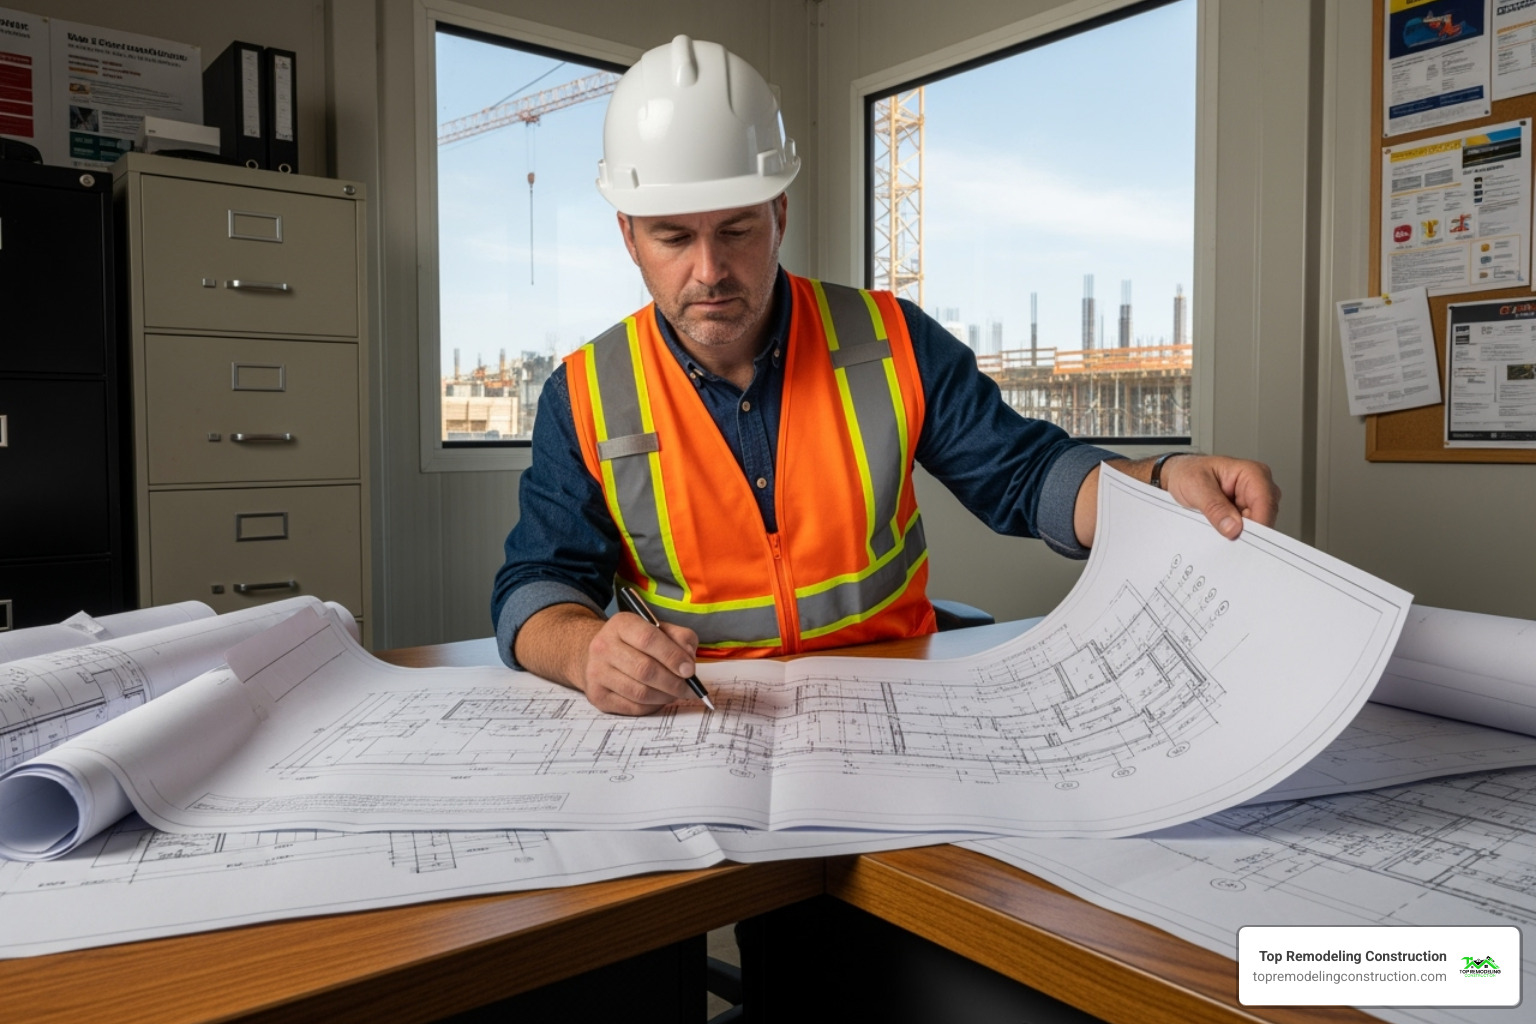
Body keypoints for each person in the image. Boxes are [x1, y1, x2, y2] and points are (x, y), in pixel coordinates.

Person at [492, 35, 1279, 716]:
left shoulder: (890, 341)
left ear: (780, 215)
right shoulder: (585, 394)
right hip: (704, 725)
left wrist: (1161, 480)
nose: (710, 270)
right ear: (629, 236)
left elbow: (1029, 475)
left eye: (736, 229)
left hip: (892, 707)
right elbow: (534, 588)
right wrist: (586, 650)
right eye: (673, 238)